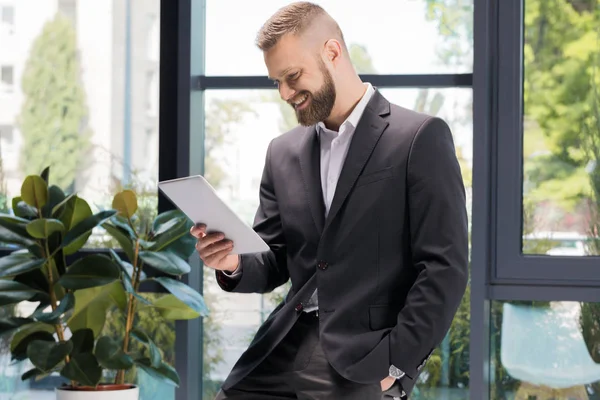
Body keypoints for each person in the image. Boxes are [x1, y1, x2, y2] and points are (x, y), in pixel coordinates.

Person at [190, 2, 468, 399]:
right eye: (277, 82)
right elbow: (274, 261)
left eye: (292, 76)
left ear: (332, 52)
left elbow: (445, 269)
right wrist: (232, 261)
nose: (285, 93)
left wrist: (394, 365)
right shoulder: (281, 152)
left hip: (364, 358)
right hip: (282, 346)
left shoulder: (419, 138)